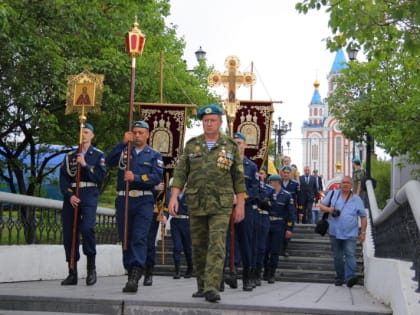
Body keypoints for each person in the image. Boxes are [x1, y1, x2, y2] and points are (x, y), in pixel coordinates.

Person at [168, 104, 245, 303]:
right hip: (196, 202)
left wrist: (241, 205)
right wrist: (174, 197)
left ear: (220, 122)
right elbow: (180, 173)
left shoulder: (230, 146)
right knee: (199, 245)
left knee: (217, 244)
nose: (209, 124)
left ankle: (212, 287)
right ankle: (202, 285)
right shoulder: (192, 145)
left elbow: (238, 178)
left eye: (213, 120)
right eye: (205, 121)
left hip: (221, 204)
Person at [106, 121, 164, 293]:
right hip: (124, 200)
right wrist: (122, 143)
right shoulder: (124, 151)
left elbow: (156, 178)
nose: (137, 135)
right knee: (126, 238)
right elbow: (108, 161)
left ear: (147, 134)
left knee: (139, 237)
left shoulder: (154, 155)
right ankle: (130, 269)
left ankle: (135, 273)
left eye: (141, 132)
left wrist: (136, 177)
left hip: (144, 200)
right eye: (135, 132)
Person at [59, 122, 106, 286]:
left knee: (87, 228)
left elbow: (100, 177)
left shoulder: (98, 155)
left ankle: (91, 269)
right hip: (72, 196)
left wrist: (85, 165)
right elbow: (63, 179)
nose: (84, 135)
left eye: (86, 132)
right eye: (81, 132)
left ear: (92, 135)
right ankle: (72, 271)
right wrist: (70, 195)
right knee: (69, 234)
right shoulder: (70, 155)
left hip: (89, 194)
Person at [319, 176, 367, 287]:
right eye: (343, 182)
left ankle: (350, 278)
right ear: (340, 184)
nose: (345, 184)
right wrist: (329, 209)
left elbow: (363, 217)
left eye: (347, 183)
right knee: (338, 257)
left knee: (350, 254)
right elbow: (321, 205)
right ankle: (340, 277)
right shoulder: (333, 194)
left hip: (351, 233)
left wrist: (363, 233)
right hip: (334, 232)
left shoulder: (357, 199)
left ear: (351, 185)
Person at [232, 132, 260, 291]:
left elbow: (255, 190)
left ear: (245, 145)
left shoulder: (251, 166)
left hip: (245, 209)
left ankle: (247, 278)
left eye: (239, 143)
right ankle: (227, 275)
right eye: (234, 143)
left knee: (245, 243)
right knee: (225, 243)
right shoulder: (225, 164)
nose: (237, 145)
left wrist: (240, 199)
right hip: (226, 209)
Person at [261, 174, 295, 283]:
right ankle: (265, 270)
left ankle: (272, 272)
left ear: (277, 182)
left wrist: (289, 228)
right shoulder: (266, 194)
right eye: (269, 182)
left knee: (275, 250)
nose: (270, 184)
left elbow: (291, 213)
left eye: (271, 182)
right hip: (267, 222)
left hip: (279, 224)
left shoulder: (286, 195)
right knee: (264, 249)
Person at [167, 180, 193, 279]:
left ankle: (190, 268)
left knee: (188, 248)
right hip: (176, 222)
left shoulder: (189, 195)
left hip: (187, 222)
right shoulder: (172, 195)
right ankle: (177, 270)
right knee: (177, 247)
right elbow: (167, 205)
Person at [143, 181, 167, 286]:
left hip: (153, 214)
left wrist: (165, 214)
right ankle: (136, 269)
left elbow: (166, 195)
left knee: (149, 243)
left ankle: (149, 272)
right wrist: (153, 186)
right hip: (139, 209)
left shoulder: (158, 175)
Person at [280, 165, 300, 256]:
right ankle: (279, 248)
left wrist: (300, 210)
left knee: (288, 229)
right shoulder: (278, 183)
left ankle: (285, 249)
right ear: (282, 173)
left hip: (290, 211)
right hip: (279, 210)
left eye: (288, 173)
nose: (286, 174)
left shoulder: (295, 184)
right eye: (285, 173)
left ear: (291, 174)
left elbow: (299, 197)